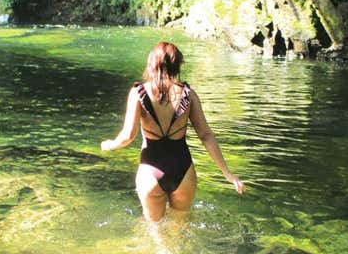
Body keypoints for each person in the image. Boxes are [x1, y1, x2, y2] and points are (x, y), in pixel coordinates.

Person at [101, 41, 244, 223]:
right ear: (177, 65)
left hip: (150, 172)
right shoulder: (188, 95)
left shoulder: (138, 93)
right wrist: (228, 174)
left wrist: (110, 145)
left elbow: (128, 136)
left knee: (154, 228)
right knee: (181, 226)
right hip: (183, 171)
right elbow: (206, 136)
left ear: (152, 63)